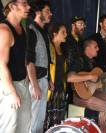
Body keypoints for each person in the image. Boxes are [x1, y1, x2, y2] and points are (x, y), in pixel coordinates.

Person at [67, 38, 106, 133]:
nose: (98, 49)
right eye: (95, 47)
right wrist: (89, 76)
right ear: (88, 48)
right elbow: (69, 78)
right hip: (79, 96)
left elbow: (97, 81)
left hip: (92, 93)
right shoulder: (79, 61)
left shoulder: (93, 62)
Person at [0, 0, 31, 132]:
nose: (28, 7)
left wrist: (27, 78)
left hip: (22, 84)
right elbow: (1, 65)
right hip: (8, 86)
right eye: (24, 4)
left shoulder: (21, 28)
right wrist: (12, 93)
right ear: (12, 6)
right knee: (9, 128)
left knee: (24, 126)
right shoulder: (4, 30)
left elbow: (22, 56)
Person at [26, 1, 53, 132]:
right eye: (47, 11)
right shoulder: (31, 31)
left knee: (40, 118)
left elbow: (45, 59)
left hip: (43, 79)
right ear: (38, 12)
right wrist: (35, 84)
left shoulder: (43, 32)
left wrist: (49, 79)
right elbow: (29, 61)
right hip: (35, 81)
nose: (51, 14)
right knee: (34, 118)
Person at [45, 23, 68, 129]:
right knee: (48, 118)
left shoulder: (63, 49)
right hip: (51, 89)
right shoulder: (49, 47)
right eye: (63, 32)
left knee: (59, 119)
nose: (66, 34)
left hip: (61, 88)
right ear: (54, 34)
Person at [61, 16, 86, 105]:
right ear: (73, 25)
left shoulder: (82, 41)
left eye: (83, 24)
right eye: (80, 24)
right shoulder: (66, 39)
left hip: (78, 76)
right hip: (67, 76)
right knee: (66, 102)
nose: (83, 27)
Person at [90, 14, 106, 92]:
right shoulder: (93, 38)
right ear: (100, 24)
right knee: (98, 95)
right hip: (96, 73)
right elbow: (90, 57)